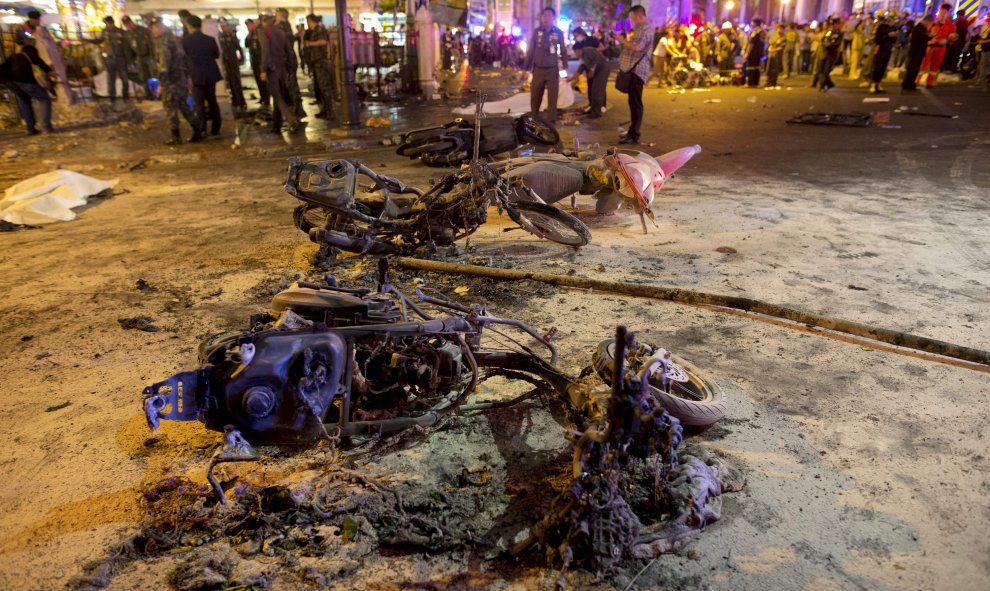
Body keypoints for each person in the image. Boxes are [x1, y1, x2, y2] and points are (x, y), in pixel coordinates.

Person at [150, 18, 200, 144]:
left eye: (154, 28)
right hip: (181, 80)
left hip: (171, 82)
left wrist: (161, 84)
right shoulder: (175, 40)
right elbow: (184, 60)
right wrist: (187, 77)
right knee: (184, 107)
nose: (153, 31)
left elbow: (164, 66)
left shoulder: (164, 43)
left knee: (170, 109)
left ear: (161, 27)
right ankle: (198, 131)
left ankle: (175, 137)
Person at [0, 37, 55, 135]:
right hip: (25, 81)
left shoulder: (13, 56)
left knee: (24, 101)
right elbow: (48, 71)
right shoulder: (32, 56)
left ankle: (30, 129)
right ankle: (46, 127)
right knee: (45, 99)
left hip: (9, 82)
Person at [523, 7, 567, 124]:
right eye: (544, 15)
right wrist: (525, 69)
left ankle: (551, 122)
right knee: (535, 95)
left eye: (549, 15)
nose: (546, 18)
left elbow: (563, 50)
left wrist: (565, 66)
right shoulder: (537, 32)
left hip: (552, 69)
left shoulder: (558, 33)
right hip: (538, 69)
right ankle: (534, 118)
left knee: (553, 97)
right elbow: (531, 50)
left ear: (553, 18)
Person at [182, 15, 223, 136]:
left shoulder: (185, 41)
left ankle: (202, 128)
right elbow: (216, 55)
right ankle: (216, 128)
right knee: (212, 101)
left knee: (199, 104)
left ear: (189, 26)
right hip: (210, 74)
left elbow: (183, 60)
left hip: (196, 75)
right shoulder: (210, 39)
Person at [259, 14, 300, 133]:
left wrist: (263, 70)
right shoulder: (281, 32)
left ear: (264, 21)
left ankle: (292, 120)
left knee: (277, 96)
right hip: (282, 68)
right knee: (278, 96)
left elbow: (265, 51)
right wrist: (290, 69)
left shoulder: (263, 31)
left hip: (272, 69)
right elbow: (289, 51)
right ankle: (276, 125)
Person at [617, 5, 651, 145]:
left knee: (636, 103)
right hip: (633, 70)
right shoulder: (639, 29)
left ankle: (634, 134)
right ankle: (632, 132)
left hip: (637, 71)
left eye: (632, 17)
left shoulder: (645, 29)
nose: (631, 20)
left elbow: (637, 47)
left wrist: (622, 40)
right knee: (633, 102)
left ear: (638, 16)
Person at [569, 28, 609, 118]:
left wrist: (591, 70)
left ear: (579, 50)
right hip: (595, 70)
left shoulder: (588, 50)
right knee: (592, 89)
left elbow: (595, 59)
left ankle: (597, 112)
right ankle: (593, 108)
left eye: (575, 52)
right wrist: (571, 80)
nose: (575, 54)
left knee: (597, 90)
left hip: (602, 69)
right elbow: (580, 69)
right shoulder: (583, 55)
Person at [303, 14, 335, 119]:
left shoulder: (319, 30)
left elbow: (323, 41)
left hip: (321, 61)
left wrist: (310, 44)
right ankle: (325, 110)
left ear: (311, 21)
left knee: (325, 87)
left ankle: (329, 111)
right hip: (316, 61)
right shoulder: (314, 31)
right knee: (321, 88)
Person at [919, 4, 958, 88]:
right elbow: (925, 32)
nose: (942, 14)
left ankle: (929, 82)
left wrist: (947, 39)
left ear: (947, 14)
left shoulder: (950, 25)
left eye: (944, 13)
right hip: (930, 46)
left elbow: (953, 35)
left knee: (935, 65)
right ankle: (917, 80)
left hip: (940, 47)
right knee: (923, 64)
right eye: (941, 12)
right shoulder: (933, 23)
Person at [274, 8, 305, 117]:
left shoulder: (280, 27)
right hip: (289, 59)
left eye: (276, 15)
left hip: (286, 61)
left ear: (280, 16)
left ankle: (297, 110)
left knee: (290, 86)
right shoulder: (287, 26)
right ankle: (297, 109)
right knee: (292, 85)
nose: (275, 17)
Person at [99, 16, 132, 102]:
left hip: (121, 58)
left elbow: (127, 46)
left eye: (108, 23)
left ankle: (125, 95)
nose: (107, 25)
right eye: (106, 24)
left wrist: (128, 59)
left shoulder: (121, 32)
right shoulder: (105, 32)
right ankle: (112, 97)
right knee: (111, 78)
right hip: (110, 58)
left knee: (124, 77)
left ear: (112, 23)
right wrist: (89, 40)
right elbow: (100, 40)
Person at [218, 19, 246, 116]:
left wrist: (241, 59)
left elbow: (238, 48)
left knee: (237, 81)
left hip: (233, 61)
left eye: (225, 26)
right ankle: (235, 100)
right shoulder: (220, 37)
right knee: (231, 82)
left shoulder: (232, 36)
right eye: (222, 27)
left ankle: (241, 101)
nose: (224, 28)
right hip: (226, 62)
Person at [122, 16, 154, 99]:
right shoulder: (127, 34)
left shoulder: (144, 31)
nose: (129, 25)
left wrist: (153, 57)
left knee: (154, 75)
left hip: (148, 56)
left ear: (132, 22)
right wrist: (131, 61)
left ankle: (157, 93)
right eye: (126, 24)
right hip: (139, 57)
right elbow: (127, 49)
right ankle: (148, 95)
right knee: (143, 77)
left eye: (129, 23)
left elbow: (151, 45)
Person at [901, 14, 933, 91]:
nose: (929, 25)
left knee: (915, 69)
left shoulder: (922, 28)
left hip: (918, 52)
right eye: (929, 23)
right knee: (912, 69)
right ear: (926, 21)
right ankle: (907, 84)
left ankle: (911, 84)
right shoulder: (918, 28)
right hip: (916, 52)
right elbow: (920, 38)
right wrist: (929, 36)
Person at [869, 12, 898, 94]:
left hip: (888, 49)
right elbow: (877, 39)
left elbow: (893, 41)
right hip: (880, 49)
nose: (893, 20)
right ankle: (873, 84)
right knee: (877, 66)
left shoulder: (893, 27)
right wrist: (888, 35)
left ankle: (878, 84)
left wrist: (894, 36)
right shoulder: (881, 26)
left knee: (883, 67)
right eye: (892, 18)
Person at [245, 18, 270, 109]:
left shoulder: (259, 33)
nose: (248, 27)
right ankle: (262, 97)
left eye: (250, 25)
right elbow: (247, 44)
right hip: (254, 60)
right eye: (247, 25)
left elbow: (264, 49)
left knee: (263, 80)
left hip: (260, 60)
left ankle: (267, 99)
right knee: (258, 80)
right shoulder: (250, 35)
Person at [818, 18, 842, 91]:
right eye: (832, 25)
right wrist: (824, 43)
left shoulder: (839, 33)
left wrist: (829, 45)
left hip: (832, 53)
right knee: (821, 69)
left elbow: (837, 43)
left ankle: (822, 85)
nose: (833, 26)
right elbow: (823, 39)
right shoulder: (829, 32)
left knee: (826, 70)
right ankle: (830, 84)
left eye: (834, 25)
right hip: (825, 52)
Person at [744, 18, 766, 88]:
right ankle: (756, 82)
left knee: (751, 67)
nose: (751, 24)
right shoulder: (762, 31)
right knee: (757, 67)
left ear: (755, 23)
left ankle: (750, 83)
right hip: (760, 52)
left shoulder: (755, 31)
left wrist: (747, 52)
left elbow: (751, 43)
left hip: (753, 52)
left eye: (752, 22)